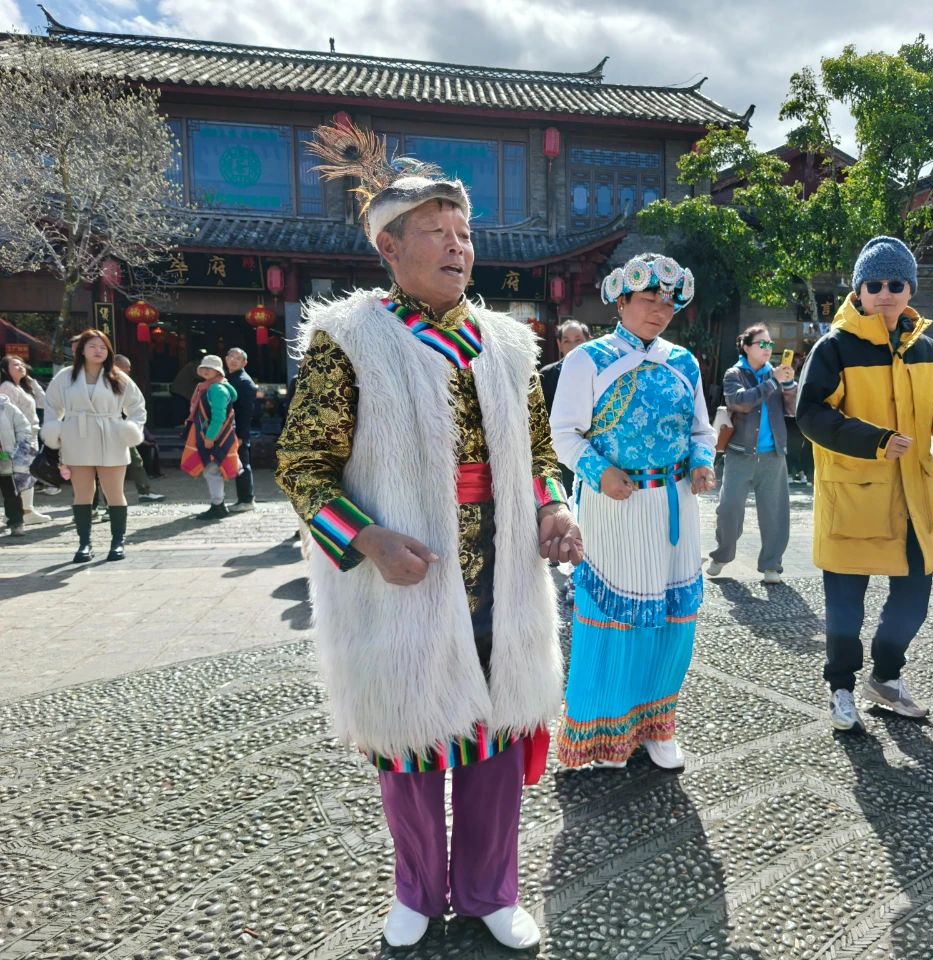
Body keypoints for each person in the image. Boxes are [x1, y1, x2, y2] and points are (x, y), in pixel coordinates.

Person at [275, 122, 575, 951]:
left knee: (496, 737)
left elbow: (539, 452)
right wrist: (367, 540)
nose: (457, 247)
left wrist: (553, 508)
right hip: (402, 575)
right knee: (409, 745)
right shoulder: (351, 339)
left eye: (464, 232)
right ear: (390, 248)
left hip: (501, 574)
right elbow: (301, 464)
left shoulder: (508, 343)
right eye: (437, 232)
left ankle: (490, 890)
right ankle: (415, 890)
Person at [796, 236, 933, 732]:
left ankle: (885, 677)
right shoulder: (834, 348)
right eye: (874, 283)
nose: (885, 292)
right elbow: (811, 414)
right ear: (858, 290)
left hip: (914, 497)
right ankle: (841, 686)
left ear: (910, 290)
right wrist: (876, 440)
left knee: (913, 601)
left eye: (896, 284)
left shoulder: (928, 349)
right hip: (854, 496)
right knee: (845, 608)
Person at [551, 252, 715, 769]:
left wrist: (702, 463)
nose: (660, 311)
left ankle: (658, 726)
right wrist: (599, 472)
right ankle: (604, 732)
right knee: (612, 618)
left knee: (673, 618)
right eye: (648, 299)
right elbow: (563, 434)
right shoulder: (588, 360)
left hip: (674, 504)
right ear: (621, 301)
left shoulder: (683, 363)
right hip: (614, 507)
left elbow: (701, 430)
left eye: (668, 303)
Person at [41, 329, 146, 562]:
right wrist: (54, 429)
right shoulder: (65, 376)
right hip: (76, 437)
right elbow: (51, 407)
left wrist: (129, 430)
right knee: (83, 493)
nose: (98, 351)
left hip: (112, 437)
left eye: (102, 347)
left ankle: (117, 542)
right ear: (81, 350)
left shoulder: (118, 377)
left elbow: (138, 407)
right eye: (92, 346)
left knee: (114, 492)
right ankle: (84, 543)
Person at [707, 324, 797, 583]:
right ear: (746, 347)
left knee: (775, 514)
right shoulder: (734, 373)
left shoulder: (775, 373)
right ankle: (722, 555)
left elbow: (792, 410)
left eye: (770, 344)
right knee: (728, 510)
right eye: (762, 344)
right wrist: (773, 382)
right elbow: (740, 402)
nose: (768, 349)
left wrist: (789, 385)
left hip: (773, 455)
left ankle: (771, 565)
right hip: (739, 453)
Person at [181, 355, 240, 521]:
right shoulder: (210, 387)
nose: (206, 370)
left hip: (216, 437)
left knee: (212, 471)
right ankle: (218, 504)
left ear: (218, 371)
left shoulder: (217, 389)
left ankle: (218, 506)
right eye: (204, 368)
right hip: (217, 436)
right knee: (213, 470)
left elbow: (219, 417)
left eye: (210, 368)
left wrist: (210, 437)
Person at [538, 319, 589, 491]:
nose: (573, 346)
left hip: (592, 453)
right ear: (559, 345)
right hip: (558, 453)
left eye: (578, 340)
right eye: (567, 341)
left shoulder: (601, 373)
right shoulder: (547, 375)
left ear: (588, 340)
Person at [0, 355, 51, 523]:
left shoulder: (21, 387)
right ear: (5, 369)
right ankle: (24, 511)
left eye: (22, 364)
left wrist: (31, 382)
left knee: (26, 473)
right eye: (15, 364)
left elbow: (43, 402)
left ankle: (21, 511)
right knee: (23, 474)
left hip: (30, 435)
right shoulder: (7, 387)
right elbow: (8, 416)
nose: (21, 366)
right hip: (20, 438)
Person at [110, 355, 165, 503]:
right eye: (125, 367)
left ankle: (144, 491)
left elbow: (136, 406)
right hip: (105, 427)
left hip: (120, 427)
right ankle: (97, 502)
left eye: (129, 368)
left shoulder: (124, 383)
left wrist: (133, 427)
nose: (128, 371)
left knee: (135, 460)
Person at [224, 347, 258, 512]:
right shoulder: (229, 378)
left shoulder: (244, 382)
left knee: (242, 464)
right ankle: (243, 499)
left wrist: (241, 435)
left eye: (238, 358)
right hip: (230, 429)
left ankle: (247, 500)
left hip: (238, 431)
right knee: (238, 463)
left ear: (245, 363)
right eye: (231, 356)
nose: (233, 360)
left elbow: (246, 413)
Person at [0, 392, 34, 536]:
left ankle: (16, 523)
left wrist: (18, 449)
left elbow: (24, 427)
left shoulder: (6, 406)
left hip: (6, 457)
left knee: (11, 492)